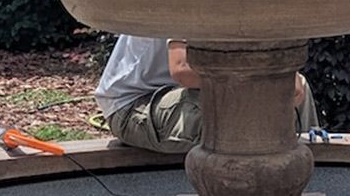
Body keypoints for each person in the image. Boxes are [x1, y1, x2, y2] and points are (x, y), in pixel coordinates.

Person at [95, 36, 319, 154]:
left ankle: (309, 185)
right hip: (132, 105)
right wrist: (259, 80)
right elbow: (182, 69)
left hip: (179, 94)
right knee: (227, 109)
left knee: (295, 88)